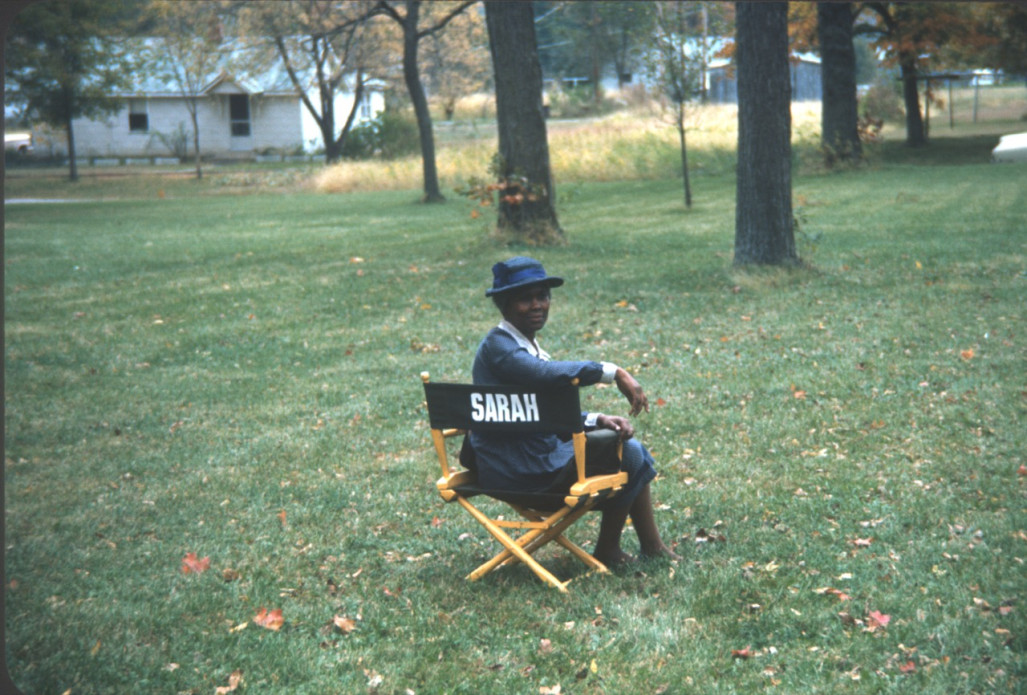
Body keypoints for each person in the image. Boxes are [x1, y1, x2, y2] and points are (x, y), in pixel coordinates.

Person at [469, 256, 679, 567]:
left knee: (624, 445)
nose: (537, 305)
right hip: (515, 467)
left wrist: (596, 420)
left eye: (543, 296)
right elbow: (543, 375)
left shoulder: (527, 347)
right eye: (525, 299)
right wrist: (613, 371)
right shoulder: (500, 349)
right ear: (505, 304)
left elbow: (539, 412)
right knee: (629, 451)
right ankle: (615, 549)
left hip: (535, 455)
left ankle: (648, 545)